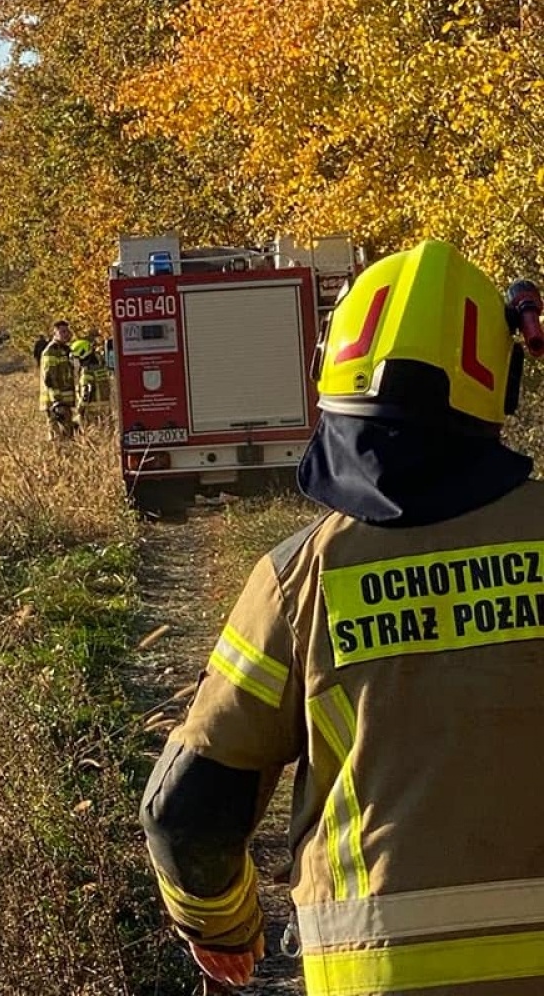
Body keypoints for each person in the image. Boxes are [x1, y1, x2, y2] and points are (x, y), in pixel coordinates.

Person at [139, 239, 544, 995]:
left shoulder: (300, 577)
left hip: (376, 974)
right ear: (501, 384)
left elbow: (188, 809)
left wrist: (221, 926)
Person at [38, 319, 76, 438]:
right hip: (56, 402)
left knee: (68, 435)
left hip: (65, 401)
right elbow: (49, 378)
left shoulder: (65, 350)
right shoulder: (51, 351)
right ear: (55, 333)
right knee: (57, 436)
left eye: (67, 331)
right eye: (62, 332)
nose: (66, 334)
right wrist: (56, 401)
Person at [70, 336, 112, 427]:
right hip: (106, 410)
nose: (74, 361)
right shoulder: (101, 368)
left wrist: (80, 409)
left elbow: (86, 392)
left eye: (75, 358)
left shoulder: (87, 371)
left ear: (82, 355)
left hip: (91, 413)